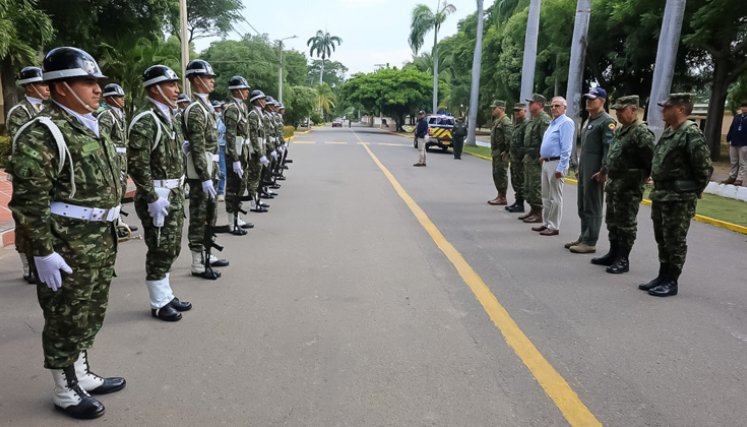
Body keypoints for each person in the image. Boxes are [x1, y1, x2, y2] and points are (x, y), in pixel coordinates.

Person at [9, 46, 125, 419]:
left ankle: (81, 374)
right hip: (67, 243)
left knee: (88, 311)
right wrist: (42, 251)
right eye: (87, 81)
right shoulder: (42, 133)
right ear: (60, 87)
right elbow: (28, 202)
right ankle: (65, 389)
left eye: (97, 82)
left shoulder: (94, 123)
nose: (97, 89)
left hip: (98, 238)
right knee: (64, 316)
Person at [127, 64, 193, 321]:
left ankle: (166, 294)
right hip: (157, 195)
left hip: (173, 193)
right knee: (159, 248)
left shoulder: (169, 118)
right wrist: (151, 197)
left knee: (172, 247)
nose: (177, 89)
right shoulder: (146, 120)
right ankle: (158, 301)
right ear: (155, 88)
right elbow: (137, 164)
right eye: (171, 85)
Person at [639, 93, 712, 297]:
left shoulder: (691, 133)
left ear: (680, 109)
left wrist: (694, 190)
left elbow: (704, 168)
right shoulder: (670, 131)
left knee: (675, 240)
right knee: (662, 238)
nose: (663, 110)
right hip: (662, 194)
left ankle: (672, 280)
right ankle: (662, 275)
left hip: (679, 197)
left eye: (667, 107)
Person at [590, 95, 654, 274]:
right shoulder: (620, 130)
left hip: (629, 187)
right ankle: (613, 253)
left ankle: (623, 259)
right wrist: (604, 172)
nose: (618, 113)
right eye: (616, 110)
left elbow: (650, 159)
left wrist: (644, 177)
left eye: (621, 110)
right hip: (614, 184)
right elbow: (613, 155)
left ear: (634, 110)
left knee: (626, 223)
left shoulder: (641, 132)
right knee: (612, 220)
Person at [182, 59, 228, 280]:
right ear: (197, 80)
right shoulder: (195, 110)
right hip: (203, 173)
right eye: (209, 78)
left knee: (211, 214)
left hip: (212, 168)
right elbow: (198, 147)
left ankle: (207, 253)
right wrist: (205, 177)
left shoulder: (207, 107)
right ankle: (198, 262)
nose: (212, 81)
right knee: (199, 216)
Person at [5, 66, 50, 284]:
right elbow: (21, 143)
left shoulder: (47, 109)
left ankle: (42, 259)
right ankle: (27, 265)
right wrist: (46, 156)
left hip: (47, 173)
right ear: (30, 86)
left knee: (44, 215)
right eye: (42, 84)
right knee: (25, 218)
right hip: (26, 172)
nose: (47, 88)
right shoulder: (19, 113)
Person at [567, 87, 615, 253]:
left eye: (592, 99)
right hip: (586, 168)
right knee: (583, 204)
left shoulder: (606, 121)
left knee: (593, 204)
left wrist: (604, 170)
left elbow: (608, 149)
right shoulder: (590, 120)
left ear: (602, 101)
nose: (588, 101)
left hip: (596, 171)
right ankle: (584, 236)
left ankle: (590, 241)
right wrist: (580, 168)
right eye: (587, 98)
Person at [97, 83, 137, 235]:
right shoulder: (106, 115)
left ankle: (118, 221)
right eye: (120, 97)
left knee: (121, 190)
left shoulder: (120, 114)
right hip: (113, 157)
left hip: (122, 157)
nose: (123, 99)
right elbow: (102, 141)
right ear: (111, 98)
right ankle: (111, 225)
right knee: (114, 192)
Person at [531, 96, 574, 236]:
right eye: (552, 106)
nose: (554, 108)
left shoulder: (566, 123)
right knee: (545, 195)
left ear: (564, 108)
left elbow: (566, 148)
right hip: (547, 162)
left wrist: (561, 168)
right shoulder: (553, 122)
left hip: (556, 163)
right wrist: (543, 155)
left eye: (557, 106)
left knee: (555, 197)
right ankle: (546, 223)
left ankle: (554, 226)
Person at [223, 75, 254, 233]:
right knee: (233, 189)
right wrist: (234, 160)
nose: (247, 91)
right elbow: (230, 137)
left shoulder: (242, 107)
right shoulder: (232, 109)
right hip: (235, 156)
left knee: (241, 187)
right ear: (236, 91)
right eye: (244, 89)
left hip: (244, 154)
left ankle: (237, 217)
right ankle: (231, 222)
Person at [519, 94, 551, 223]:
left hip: (536, 158)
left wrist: (542, 156)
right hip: (529, 157)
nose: (529, 105)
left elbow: (546, 140)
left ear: (539, 104)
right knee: (528, 186)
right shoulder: (534, 119)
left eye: (532, 103)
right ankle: (532, 210)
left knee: (535, 186)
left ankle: (538, 213)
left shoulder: (544, 120)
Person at [247, 89, 270, 212]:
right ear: (256, 101)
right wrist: (260, 153)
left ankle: (256, 199)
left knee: (258, 177)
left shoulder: (259, 114)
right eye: (262, 99)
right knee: (253, 178)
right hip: (254, 153)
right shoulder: (253, 115)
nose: (264, 102)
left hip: (260, 151)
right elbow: (254, 137)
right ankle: (253, 203)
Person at [487, 100, 513, 205]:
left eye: (495, 108)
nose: (492, 110)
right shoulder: (498, 121)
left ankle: (503, 197)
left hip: (501, 154)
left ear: (501, 109)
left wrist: (506, 152)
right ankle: (499, 195)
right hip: (496, 153)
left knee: (501, 174)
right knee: (496, 174)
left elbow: (509, 139)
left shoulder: (505, 121)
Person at [507, 103, 528, 213]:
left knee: (520, 181)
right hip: (514, 158)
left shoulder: (526, 124)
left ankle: (520, 204)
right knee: (515, 180)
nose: (516, 113)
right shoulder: (517, 124)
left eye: (519, 111)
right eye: (515, 111)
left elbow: (526, 142)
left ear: (525, 111)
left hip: (520, 159)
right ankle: (517, 201)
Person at [722, 101, 747, 186]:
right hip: (734, 142)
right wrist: (729, 138)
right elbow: (732, 128)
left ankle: (739, 179)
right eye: (743, 107)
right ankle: (732, 177)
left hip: (744, 143)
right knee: (734, 161)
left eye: (746, 107)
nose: (744, 108)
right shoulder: (737, 117)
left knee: (742, 162)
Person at [214, 100, 227, 202]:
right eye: (225, 109)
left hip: (230, 148)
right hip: (220, 147)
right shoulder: (219, 120)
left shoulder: (231, 120)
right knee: (221, 171)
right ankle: (220, 192)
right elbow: (217, 132)